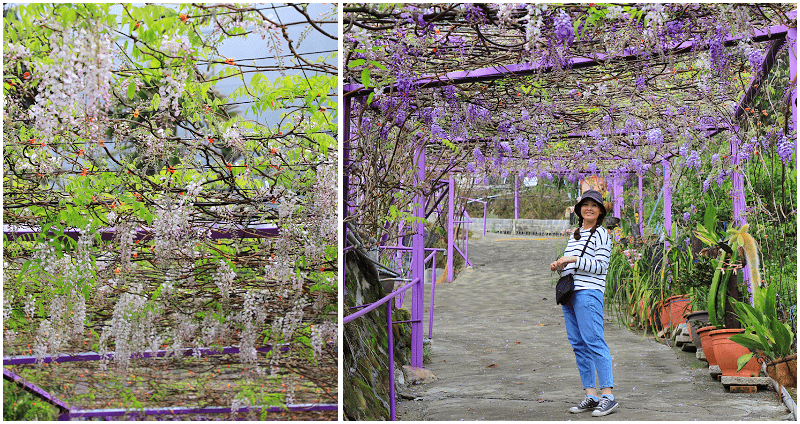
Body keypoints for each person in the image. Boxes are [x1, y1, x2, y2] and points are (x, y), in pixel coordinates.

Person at [549, 190, 617, 417]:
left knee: (594, 341)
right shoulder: (577, 233)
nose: (589, 208)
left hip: (589, 293)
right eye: (585, 205)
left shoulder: (602, 234)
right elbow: (574, 265)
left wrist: (572, 259)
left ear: (600, 211)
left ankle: (608, 395)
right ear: (579, 211)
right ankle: (591, 395)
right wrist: (560, 265)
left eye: (593, 205)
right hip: (571, 293)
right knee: (578, 344)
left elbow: (600, 267)